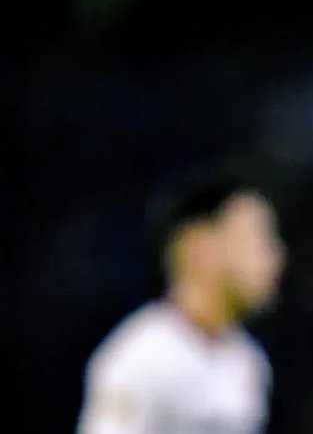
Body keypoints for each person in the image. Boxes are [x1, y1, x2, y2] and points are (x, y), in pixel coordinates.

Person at [76, 173, 287, 434]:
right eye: (257, 238)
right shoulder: (142, 360)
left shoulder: (248, 363)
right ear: (200, 247)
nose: (274, 258)